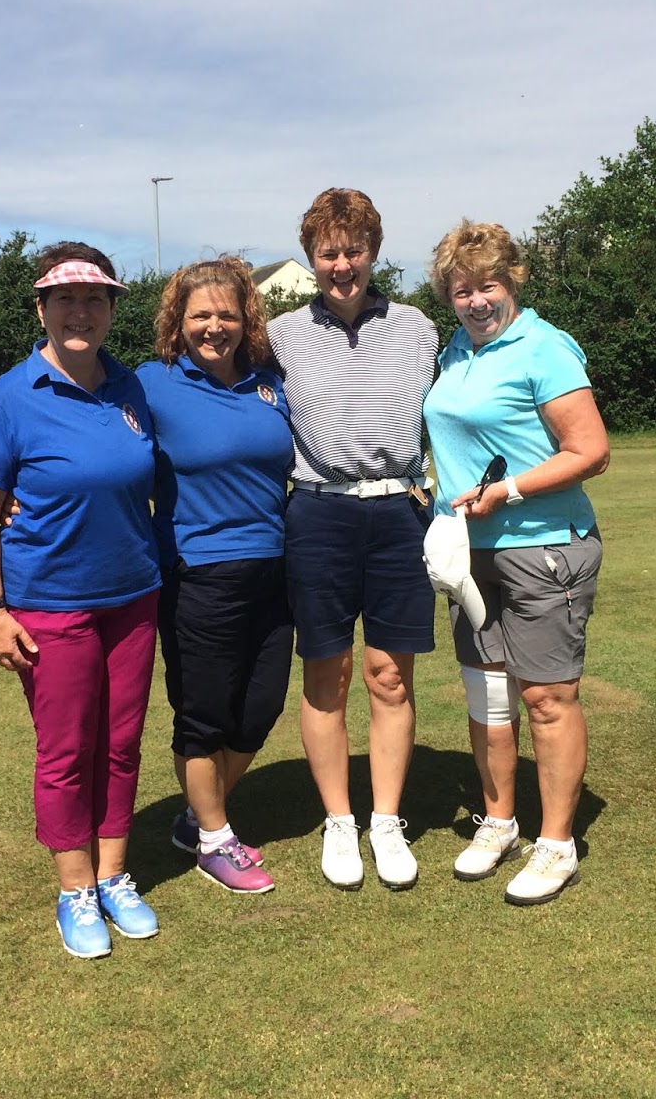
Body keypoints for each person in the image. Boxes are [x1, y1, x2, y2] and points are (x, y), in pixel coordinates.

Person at [0, 242, 162, 958]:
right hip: (50, 605)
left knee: (122, 744)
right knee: (67, 751)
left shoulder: (130, 387)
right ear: (42, 309)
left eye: (95, 299)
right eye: (66, 300)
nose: (81, 312)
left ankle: (113, 876)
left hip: (134, 596)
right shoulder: (10, 397)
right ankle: (74, 889)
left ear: (110, 309)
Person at [421, 220, 610, 906]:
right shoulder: (456, 354)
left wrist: (507, 490)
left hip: (543, 545)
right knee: (489, 697)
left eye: (487, 286)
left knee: (546, 697)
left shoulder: (544, 347)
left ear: (513, 282)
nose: (474, 301)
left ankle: (556, 843)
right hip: (470, 554)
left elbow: (590, 449)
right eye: (461, 289)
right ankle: (499, 821)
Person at [267, 189, 439, 891]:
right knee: (327, 675)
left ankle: (386, 821)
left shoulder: (419, 327)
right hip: (317, 515)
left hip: (399, 512)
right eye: (328, 252)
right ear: (312, 257)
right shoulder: (279, 334)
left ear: (374, 250)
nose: (342, 264)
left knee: (389, 677)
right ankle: (340, 822)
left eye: (354, 249)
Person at [136, 257, 295, 895]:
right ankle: (213, 839)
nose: (214, 326)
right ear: (178, 320)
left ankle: (198, 816)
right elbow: (95, 440)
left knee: (259, 710)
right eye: (200, 314)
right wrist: (14, 494)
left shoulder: (269, 381)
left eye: (226, 313)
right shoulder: (149, 384)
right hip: (197, 573)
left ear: (245, 318)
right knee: (203, 715)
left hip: (275, 567)